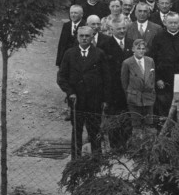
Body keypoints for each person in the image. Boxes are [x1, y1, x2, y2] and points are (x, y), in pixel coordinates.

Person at [57, 26, 110, 158]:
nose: (84, 38)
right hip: (77, 100)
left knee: (94, 131)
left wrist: (105, 99)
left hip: (94, 100)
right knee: (77, 131)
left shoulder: (99, 54)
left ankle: (97, 160)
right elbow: (61, 77)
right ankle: (75, 160)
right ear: (77, 37)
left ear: (92, 37)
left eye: (87, 36)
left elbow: (107, 78)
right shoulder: (69, 53)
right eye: (82, 36)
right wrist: (70, 92)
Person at [121, 38, 156, 132]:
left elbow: (152, 78)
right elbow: (124, 83)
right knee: (136, 126)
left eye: (143, 48)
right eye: (138, 48)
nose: (141, 51)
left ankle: (148, 145)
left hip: (148, 97)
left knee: (148, 124)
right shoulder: (127, 63)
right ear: (133, 49)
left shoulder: (150, 61)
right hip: (134, 98)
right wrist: (130, 94)